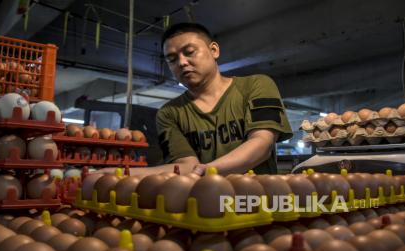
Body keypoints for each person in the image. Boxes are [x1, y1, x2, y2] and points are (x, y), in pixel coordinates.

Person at [101, 22, 292, 176]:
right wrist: (122, 174)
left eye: (190, 52)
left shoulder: (255, 86)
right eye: (172, 59)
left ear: (214, 50)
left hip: (258, 204)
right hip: (203, 210)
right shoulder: (169, 113)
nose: (182, 62)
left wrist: (204, 170)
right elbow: (185, 166)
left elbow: (261, 144)